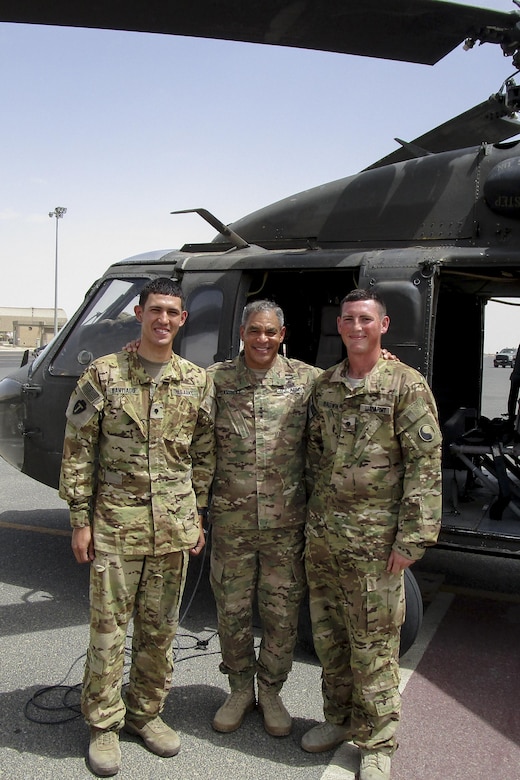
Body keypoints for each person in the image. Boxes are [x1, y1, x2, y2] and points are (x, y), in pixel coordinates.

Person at [59, 277, 216, 777]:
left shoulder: (196, 380)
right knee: (108, 631)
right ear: (138, 313)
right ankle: (104, 724)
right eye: (155, 310)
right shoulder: (104, 375)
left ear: (182, 318)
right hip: (114, 527)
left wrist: (197, 514)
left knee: (160, 630)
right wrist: (79, 520)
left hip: (172, 528)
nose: (163, 319)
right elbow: (78, 451)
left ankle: (146, 713)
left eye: (172, 311)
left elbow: (205, 452)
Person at [301, 289, 442, 780]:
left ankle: (377, 741)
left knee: (375, 647)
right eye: (348, 320)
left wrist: (412, 539)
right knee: (330, 640)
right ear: (338, 326)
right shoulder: (326, 387)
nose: (355, 327)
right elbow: (315, 457)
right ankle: (338, 721)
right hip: (324, 540)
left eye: (365, 319)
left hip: (376, 547)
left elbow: (425, 465)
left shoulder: (406, 385)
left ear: (383, 326)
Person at [207, 300, 321, 737]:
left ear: (283, 334)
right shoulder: (214, 380)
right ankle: (239, 689)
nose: (263, 339)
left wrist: (386, 359)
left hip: (286, 526)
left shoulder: (308, 381)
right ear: (242, 332)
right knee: (232, 612)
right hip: (231, 526)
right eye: (255, 330)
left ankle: (270, 690)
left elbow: (357, 382)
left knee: (282, 614)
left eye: (271, 332)